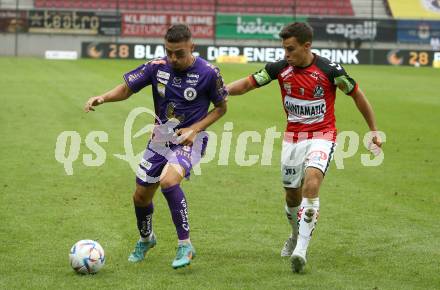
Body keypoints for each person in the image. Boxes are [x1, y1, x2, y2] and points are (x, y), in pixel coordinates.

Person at [226, 22, 382, 273]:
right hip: (293, 139)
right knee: (291, 195)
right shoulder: (280, 68)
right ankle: (295, 234)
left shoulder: (330, 70)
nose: (286, 54)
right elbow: (247, 84)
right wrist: (220, 90)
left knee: (311, 183)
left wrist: (374, 129)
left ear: (307, 46)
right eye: (284, 49)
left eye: (291, 49)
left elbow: (356, 94)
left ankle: (301, 249)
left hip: (323, 135)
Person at [84, 24, 228, 269]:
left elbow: (221, 108)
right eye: (169, 52)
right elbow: (127, 89)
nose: (173, 58)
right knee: (140, 197)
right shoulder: (157, 67)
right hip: (160, 138)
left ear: (192, 47)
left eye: (179, 53)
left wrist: (196, 129)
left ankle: (185, 244)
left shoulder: (208, 73)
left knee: (169, 181)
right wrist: (103, 97)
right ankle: (146, 239)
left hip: (191, 139)